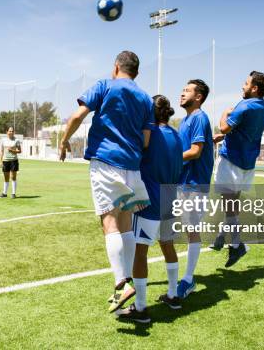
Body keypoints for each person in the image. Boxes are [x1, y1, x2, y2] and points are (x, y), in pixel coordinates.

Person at [59, 50, 153, 314]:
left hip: (105, 162)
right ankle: (129, 280)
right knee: (125, 224)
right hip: (132, 166)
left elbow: (77, 116)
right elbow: (146, 141)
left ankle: (121, 283)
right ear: (136, 72)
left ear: (116, 68)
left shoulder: (105, 85)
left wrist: (65, 140)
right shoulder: (145, 98)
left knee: (109, 222)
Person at [115, 95, 183, 323]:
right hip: (171, 199)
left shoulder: (149, 133)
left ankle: (141, 308)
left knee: (140, 253)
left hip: (150, 202)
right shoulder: (176, 134)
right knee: (168, 246)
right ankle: (173, 295)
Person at [159, 79, 214, 300]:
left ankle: (188, 279)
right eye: (182, 90)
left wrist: (169, 159)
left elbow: (195, 151)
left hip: (194, 184)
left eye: (187, 91)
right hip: (182, 182)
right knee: (178, 230)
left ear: (198, 97)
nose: (182, 94)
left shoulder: (199, 117)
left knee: (192, 230)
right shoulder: (186, 120)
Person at [212, 71, 264, 267]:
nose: (242, 86)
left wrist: (224, 114)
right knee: (232, 204)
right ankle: (221, 236)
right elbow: (245, 130)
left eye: (245, 83)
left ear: (254, 88)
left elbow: (224, 128)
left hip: (232, 160)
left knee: (228, 204)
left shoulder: (244, 105)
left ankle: (237, 245)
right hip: (247, 163)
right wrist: (227, 136)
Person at [0, 127, 22, 198]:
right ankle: (4, 193)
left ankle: (13, 193)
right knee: (6, 177)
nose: (11, 132)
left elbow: (20, 151)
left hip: (13, 161)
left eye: (12, 131)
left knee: (13, 177)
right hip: (5, 161)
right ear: (7, 132)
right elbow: (1, 151)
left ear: (14, 132)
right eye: (10, 131)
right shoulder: (3, 140)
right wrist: (0, 161)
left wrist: (12, 151)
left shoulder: (16, 140)